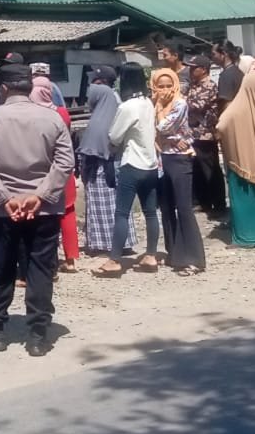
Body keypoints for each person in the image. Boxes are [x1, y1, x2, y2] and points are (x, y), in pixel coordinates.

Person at [0, 62, 74, 354]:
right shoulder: (53, 119)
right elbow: (65, 162)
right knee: (41, 266)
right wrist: (41, 195)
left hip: (5, 210)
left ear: (3, 88)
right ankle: (39, 334)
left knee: (1, 265)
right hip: (45, 209)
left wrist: (3, 197)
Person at [93, 64, 161, 277]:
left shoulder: (127, 107)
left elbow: (114, 136)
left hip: (131, 164)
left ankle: (114, 260)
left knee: (122, 212)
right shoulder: (148, 103)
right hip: (150, 165)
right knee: (150, 212)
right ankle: (150, 255)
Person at [217, 67, 255, 248]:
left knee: (243, 201)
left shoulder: (235, 108)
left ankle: (245, 238)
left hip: (240, 163)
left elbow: (220, 127)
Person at [78, 66, 135, 259]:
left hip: (108, 162)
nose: (90, 90)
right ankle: (112, 243)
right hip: (105, 160)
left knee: (109, 203)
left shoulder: (110, 100)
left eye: (95, 83)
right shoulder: (107, 102)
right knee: (106, 203)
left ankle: (111, 244)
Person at [154, 69, 206, 276]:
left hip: (179, 159)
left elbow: (163, 127)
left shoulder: (179, 104)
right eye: (161, 86)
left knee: (184, 208)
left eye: (169, 85)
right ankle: (175, 254)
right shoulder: (155, 104)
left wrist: (158, 112)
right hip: (161, 159)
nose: (165, 90)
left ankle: (195, 259)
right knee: (166, 207)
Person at [30, 74, 81, 271]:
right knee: (67, 212)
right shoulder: (62, 112)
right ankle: (70, 260)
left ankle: (47, 262)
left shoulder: (32, 116)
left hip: (41, 171)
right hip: (64, 168)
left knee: (43, 217)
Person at [184, 55, 227, 217]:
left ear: (203, 69)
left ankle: (219, 204)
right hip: (193, 134)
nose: (191, 70)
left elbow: (198, 106)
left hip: (205, 134)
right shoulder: (193, 85)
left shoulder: (209, 86)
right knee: (197, 169)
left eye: (194, 68)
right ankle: (204, 202)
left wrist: (181, 101)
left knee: (211, 170)